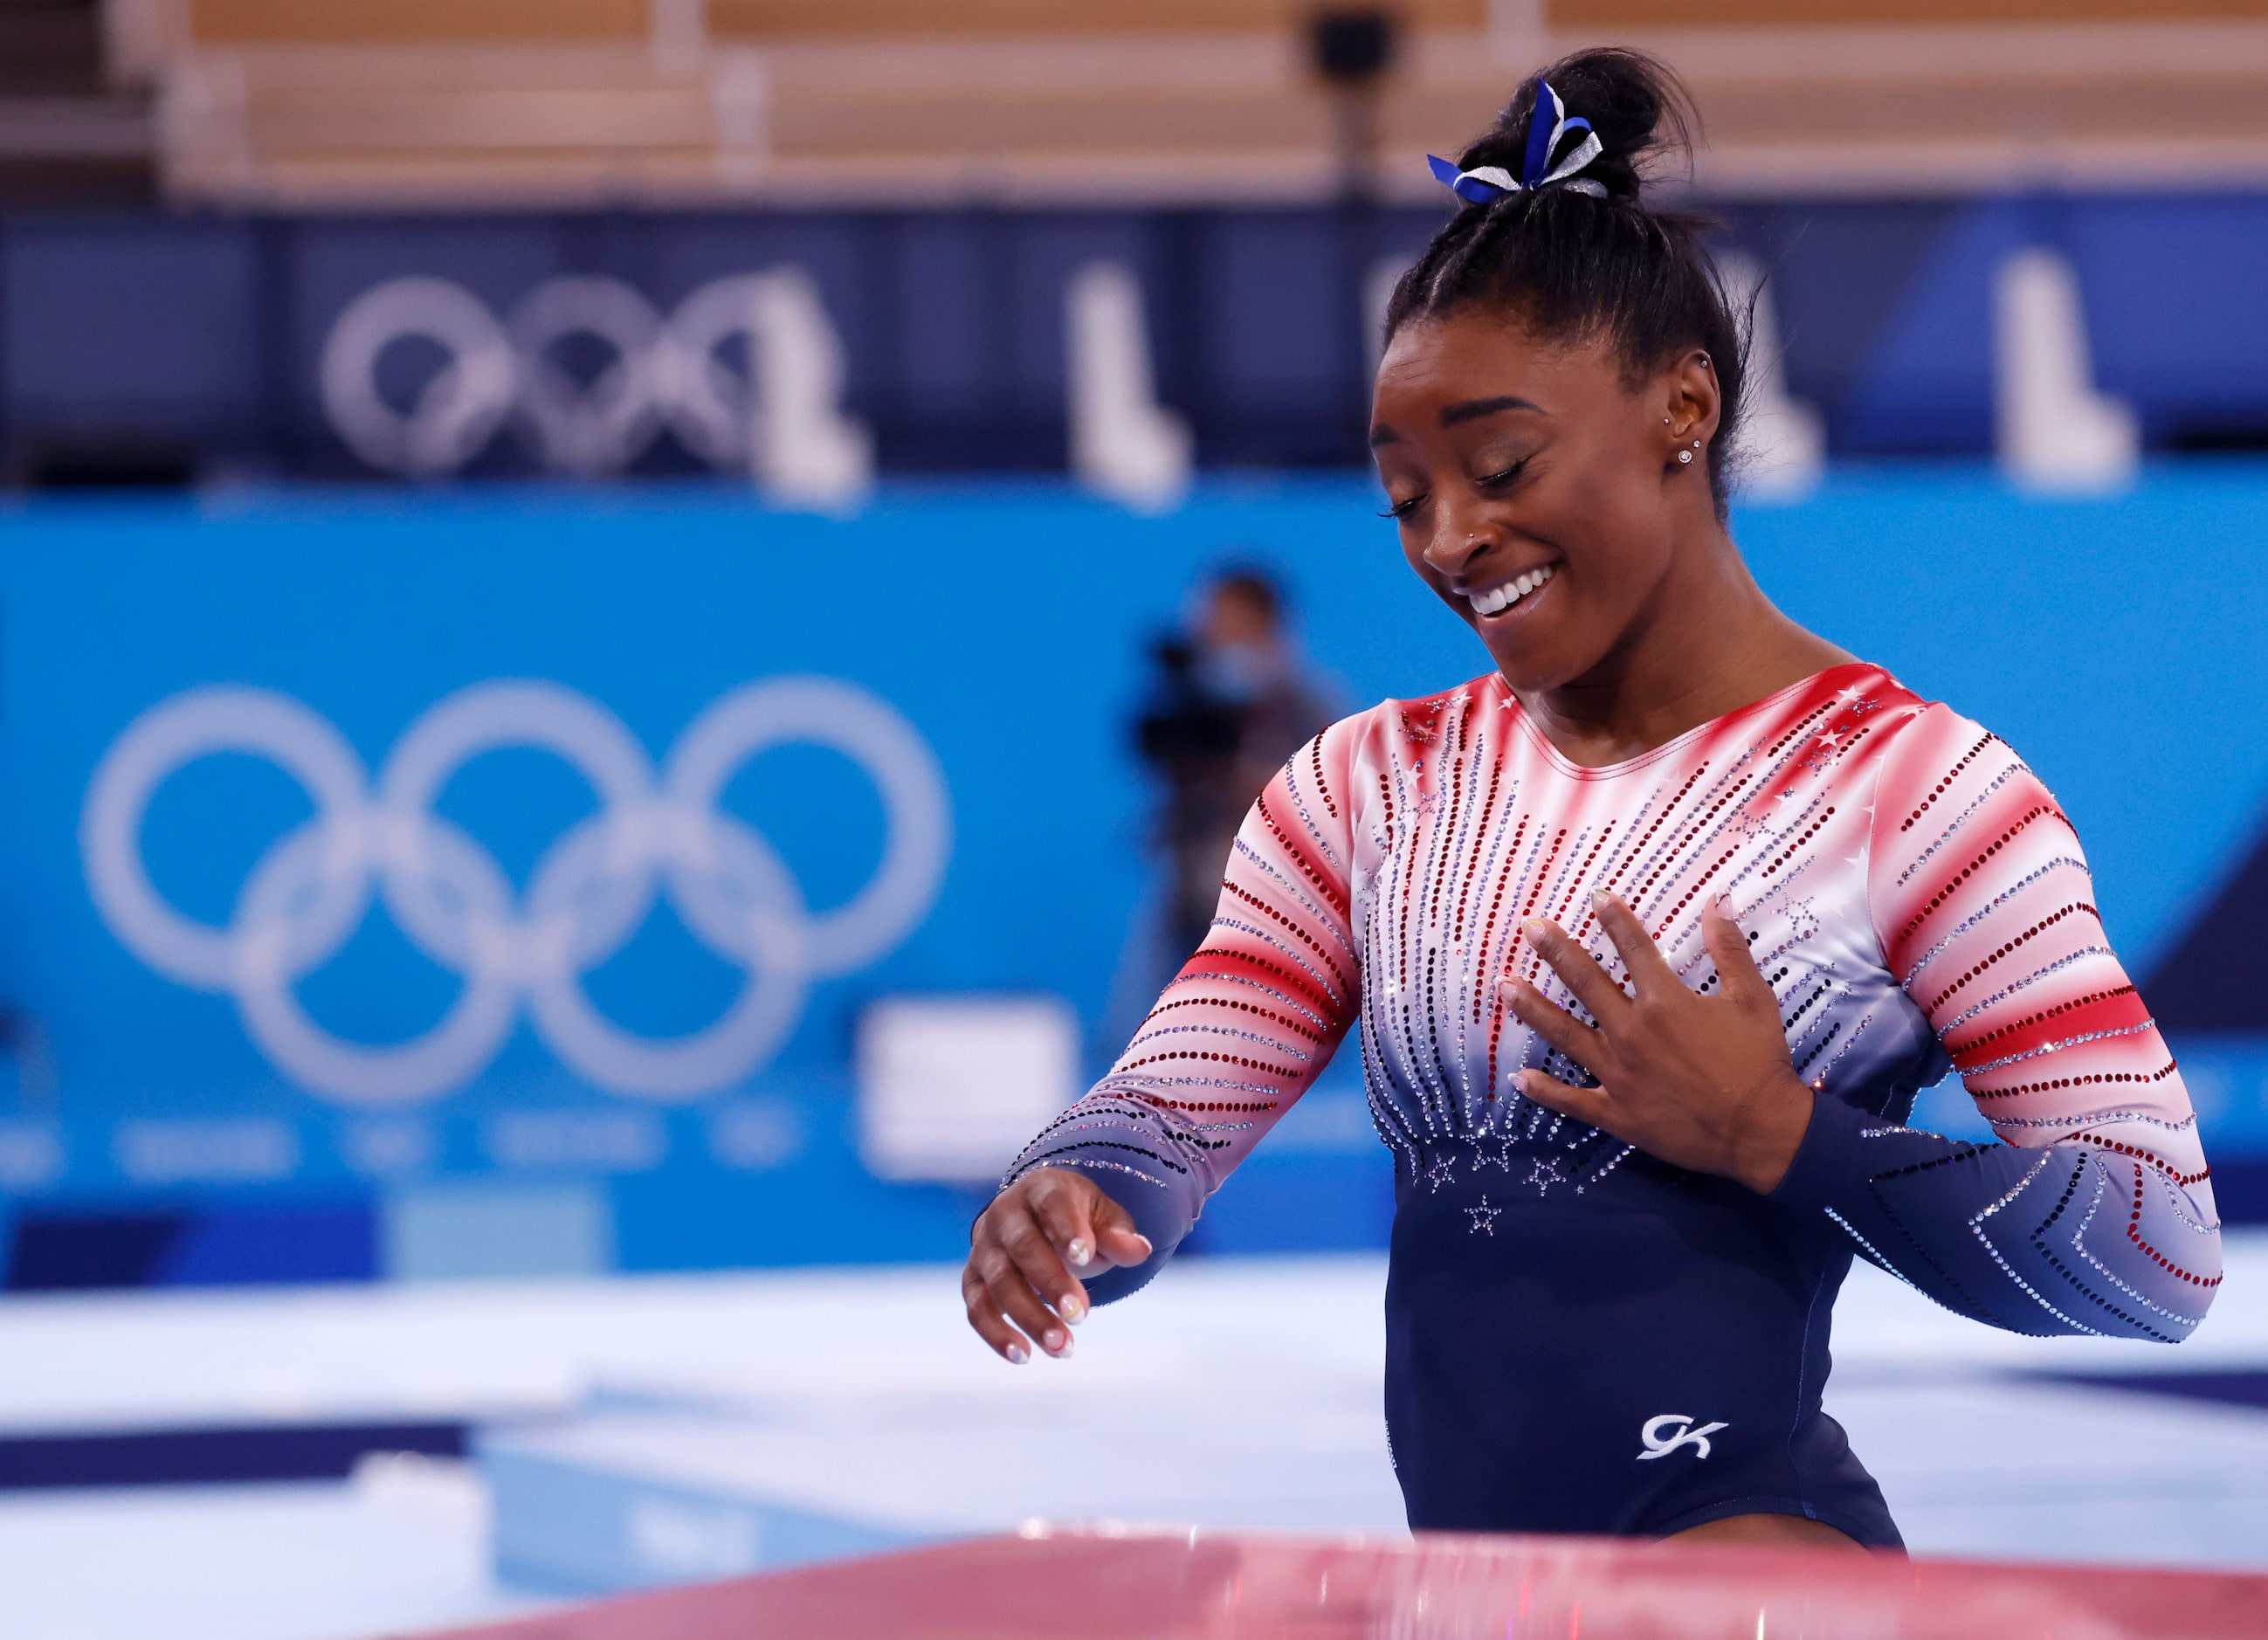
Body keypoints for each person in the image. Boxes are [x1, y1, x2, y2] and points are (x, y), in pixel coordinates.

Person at [965, 50, 2220, 1551]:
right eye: (1405, 494)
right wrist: (1083, 1186)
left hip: (1748, 1574)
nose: (1452, 536)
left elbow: (2157, 1249)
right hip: (1492, 1593)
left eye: (1500, 462)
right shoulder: (1364, 786)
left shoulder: (1923, 794)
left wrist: (1779, 1131)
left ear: (1682, 404)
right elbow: (1178, 1098)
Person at [1135, 569, 1339, 965]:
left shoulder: (1303, 702)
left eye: (1226, 619)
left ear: (1264, 621)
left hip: (1278, 890)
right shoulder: (1195, 704)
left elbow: (1329, 795)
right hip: (1190, 877)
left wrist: (1253, 782)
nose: (1212, 631)